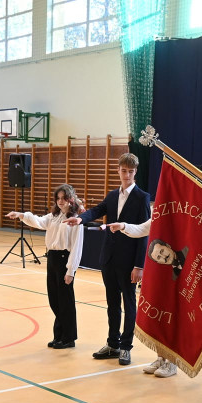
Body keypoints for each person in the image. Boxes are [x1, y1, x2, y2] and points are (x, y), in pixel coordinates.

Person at [73, 152, 151, 366]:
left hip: (129, 262)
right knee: (112, 304)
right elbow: (97, 210)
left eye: (131, 171)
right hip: (109, 258)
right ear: (118, 170)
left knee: (129, 302)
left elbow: (144, 232)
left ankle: (126, 347)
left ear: (136, 173)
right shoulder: (111, 195)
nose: (126, 175)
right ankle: (113, 344)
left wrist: (139, 265)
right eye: (123, 170)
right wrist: (80, 219)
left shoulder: (142, 197)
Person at [97, 217, 178, 378]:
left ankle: (172, 362)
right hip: (159, 269)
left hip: (177, 271)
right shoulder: (160, 211)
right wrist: (123, 225)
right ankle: (161, 358)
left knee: (171, 315)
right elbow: (141, 229)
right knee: (159, 315)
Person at [5, 184, 84, 349]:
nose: (61, 202)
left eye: (64, 198)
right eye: (58, 198)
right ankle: (59, 335)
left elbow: (77, 247)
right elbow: (39, 221)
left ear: (71, 199)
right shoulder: (54, 216)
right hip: (53, 259)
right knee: (54, 300)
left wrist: (71, 270)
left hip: (64, 260)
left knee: (65, 301)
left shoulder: (75, 219)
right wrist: (21, 215)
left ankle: (68, 338)